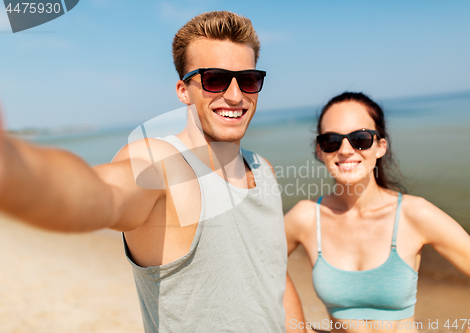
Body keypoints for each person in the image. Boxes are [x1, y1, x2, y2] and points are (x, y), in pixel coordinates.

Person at [0, 11, 307, 333]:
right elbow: (100, 194)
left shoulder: (264, 169)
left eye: (248, 80)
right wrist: (10, 164)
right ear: (183, 91)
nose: (234, 95)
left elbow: (274, 273)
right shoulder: (163, 163)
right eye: (214, 79)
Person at [285, 92, 470, 333]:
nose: (345, 150)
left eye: (360, 138)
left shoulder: (413, 214)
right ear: (320, 151)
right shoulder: (307, 217)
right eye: (332, 141)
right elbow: (259, 263)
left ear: (380, 147)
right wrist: (297, 328)